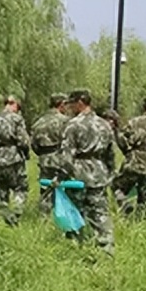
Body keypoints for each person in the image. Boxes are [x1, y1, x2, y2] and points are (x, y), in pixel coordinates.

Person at [61, 89, 116, 253]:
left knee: (74, 212)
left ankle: (74, 247)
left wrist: (67, 175)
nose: (70, 108)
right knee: (100, 213)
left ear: (80, 103)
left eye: (72, 104)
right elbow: (110, 154)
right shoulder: (104, 125)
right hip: (99, 173)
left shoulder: (73, 125)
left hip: (78, 174)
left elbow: (66, 156)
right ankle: (106, 249)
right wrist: (109, 174)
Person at [0, 95, 31, 225]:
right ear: (14, 105)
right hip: (14, 160)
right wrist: (26, 154)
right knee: (21, 188)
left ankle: (5, 216)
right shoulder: (16, 119)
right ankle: (15, 215)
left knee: (1, 191)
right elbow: (23, 141)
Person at [29, 93, 71, 215]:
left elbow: (34, 145)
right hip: (61, 158)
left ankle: (44, 216)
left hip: (44, 159)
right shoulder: (65, 121)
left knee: (46, 189)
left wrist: (42, 154)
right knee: (65, 186)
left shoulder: (38, 122)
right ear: (61, 104)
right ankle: (64, 214)